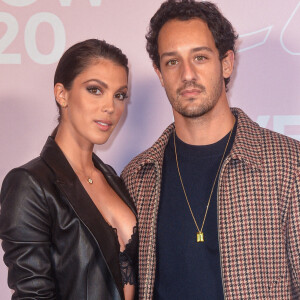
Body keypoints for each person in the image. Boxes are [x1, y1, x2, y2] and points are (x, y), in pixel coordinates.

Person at [121, 0, 300, 299]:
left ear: (226, 63)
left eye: (200, 57)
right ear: (159, 72)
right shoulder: (138, 177)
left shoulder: (288, 166)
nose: (187, 74)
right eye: (172, 61)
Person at [0, 39, 138, 300]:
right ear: (62, 94)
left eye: (119, 95)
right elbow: (32, 294)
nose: (110, 107)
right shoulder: (29, 184)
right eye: (95, 90)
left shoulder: (114, 179)